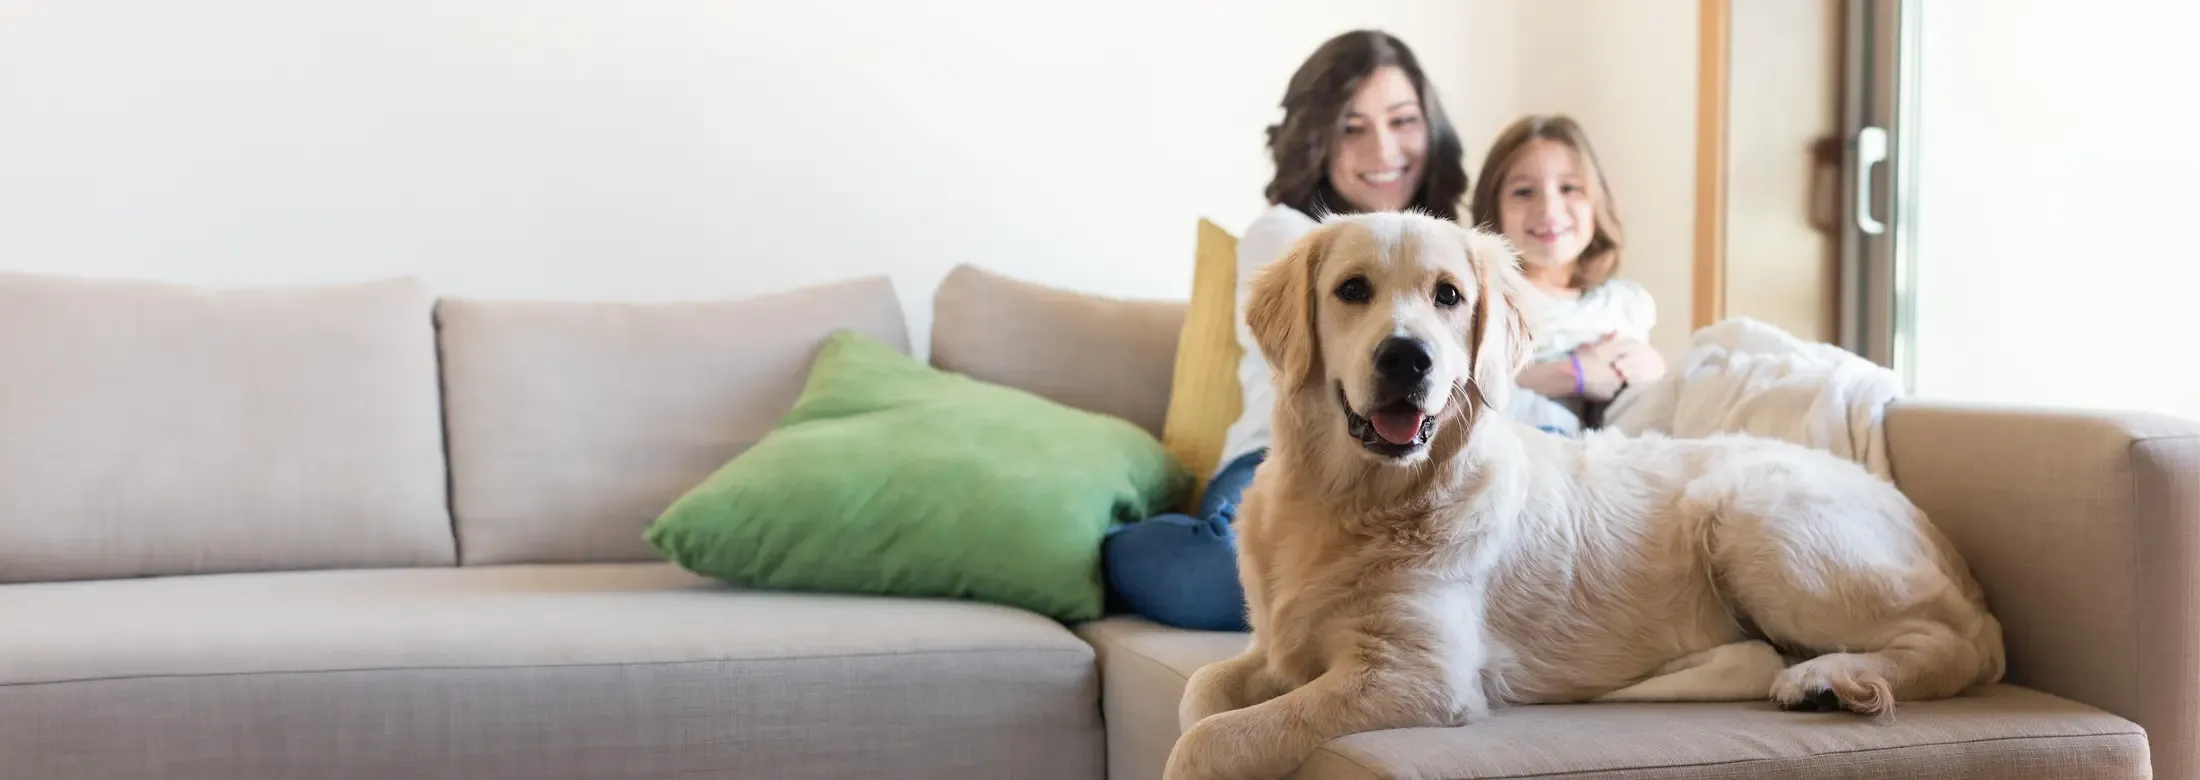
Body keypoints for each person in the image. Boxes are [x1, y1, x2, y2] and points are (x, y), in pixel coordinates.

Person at [1101, 29, 1469, 631]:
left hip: (1413, 469)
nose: (1384, 148)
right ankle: (1117, 547)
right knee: (1233, 581)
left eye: (1402, 121)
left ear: (1431, 128)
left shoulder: (1456, 254)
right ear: (1316, 138)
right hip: (1279, 459)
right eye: (1353, 127)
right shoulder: (1286, 234)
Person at [1466, 114, 1666, 435]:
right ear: (1494, 208)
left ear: (1596, 203)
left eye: (1569, 188)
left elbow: (1650, 399)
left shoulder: (1624, 303)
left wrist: (1654, 368)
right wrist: (1571, 374)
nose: (1548, 209)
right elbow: (1464, 393)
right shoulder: (1482, 301)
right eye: (1523, 191)